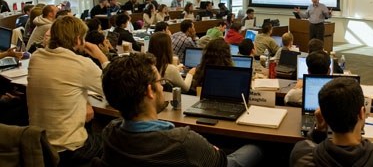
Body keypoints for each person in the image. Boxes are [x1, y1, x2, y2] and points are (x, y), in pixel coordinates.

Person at [98, 53, 262, 166]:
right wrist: (212, 151)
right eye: (160, 82)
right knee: (256, 148)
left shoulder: (109, 133)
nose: (162, 88)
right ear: (149, 91)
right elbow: (221, 162)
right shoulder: (184, 142)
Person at [27, 16, 108, 166]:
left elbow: (61, 85)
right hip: (70, 149)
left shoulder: (36, 57)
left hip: (40, 144)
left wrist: (84, 101)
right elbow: (113, 90)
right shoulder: (82, 64)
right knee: (113, 143)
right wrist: (102, 57)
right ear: (78, 40)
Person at [290, 77, 373, 166]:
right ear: (361, 113)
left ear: (323, 116)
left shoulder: (301, 156)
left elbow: (310, 145)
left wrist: (319, 131)